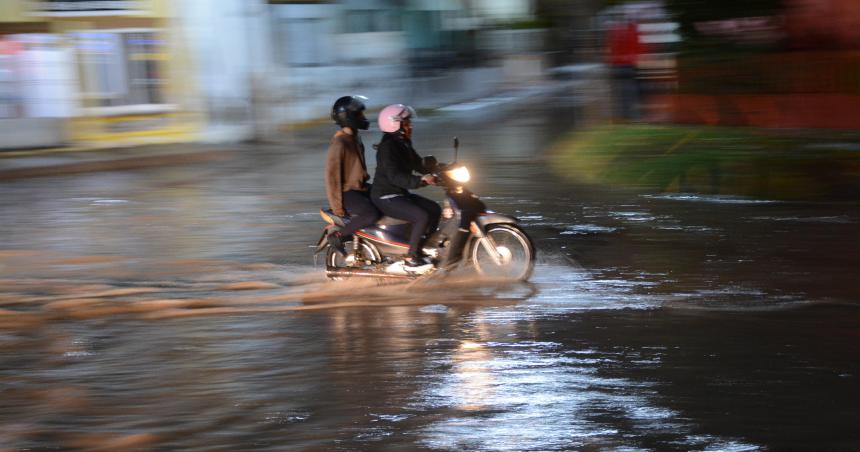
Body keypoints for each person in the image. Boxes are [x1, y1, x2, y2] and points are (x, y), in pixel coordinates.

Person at [371, 104, 440, 269]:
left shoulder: (403, 143)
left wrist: (441, 169)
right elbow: (395, 177)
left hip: (399, 193)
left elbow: (419, 164)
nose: (410, 125)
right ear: (395, 124)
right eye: (407, 122)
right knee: (421, 216)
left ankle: (421, 246)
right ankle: (411, 256)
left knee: (435, 209)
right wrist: (421, 180)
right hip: (386, 196)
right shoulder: (387, 148)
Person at [324, 95, 381, 256]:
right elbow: (332, 179)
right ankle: (339, 236)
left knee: (389, 199)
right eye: (359, 115)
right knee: (371, 214)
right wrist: (338, 208)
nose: (363, 118)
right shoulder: (339, 143)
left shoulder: (355, 137)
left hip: (361, 188)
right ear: (347, 118)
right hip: (347, 192)